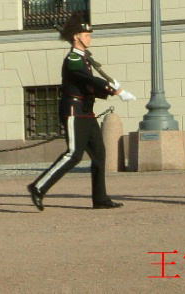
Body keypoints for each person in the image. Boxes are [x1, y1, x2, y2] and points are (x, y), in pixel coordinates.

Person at [27, 15, 136, 211]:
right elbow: (88, 79)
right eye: (86, 35)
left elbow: (88, 86)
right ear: (76, 36)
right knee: (73, 154)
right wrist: (114, 90)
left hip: (86, 111)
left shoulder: (84, 59)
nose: (89, 38)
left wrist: (108, 90)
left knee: (99, 154)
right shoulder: (74, 59)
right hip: (74, 111)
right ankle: (38, 187)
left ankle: (100, 198)